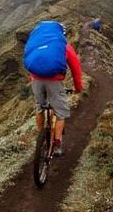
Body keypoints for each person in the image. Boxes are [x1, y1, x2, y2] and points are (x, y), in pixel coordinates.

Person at [25, 21, 83, 156]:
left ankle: (41, 137)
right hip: (54, 82)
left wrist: (34, 78)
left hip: (36, 80)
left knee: (39, 107)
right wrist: (78, 88)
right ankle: (57, 145)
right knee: (61, 114)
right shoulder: (64, 46)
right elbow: (76, 69)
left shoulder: (35, 44)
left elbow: (30, 61)